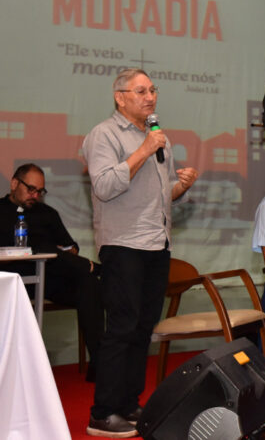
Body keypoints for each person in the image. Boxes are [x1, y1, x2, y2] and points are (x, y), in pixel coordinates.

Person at [82, 68, 198, 438]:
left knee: (142, 328)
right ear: (120, 97)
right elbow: (104, 186)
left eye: (153, 90)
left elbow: (160, 196)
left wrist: (180, 186)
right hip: (123, 244)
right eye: (141, 91)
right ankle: (102, 413)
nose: (150, 97)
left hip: (156, 243)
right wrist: (144, 150)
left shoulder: (158, 137)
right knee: (122, 327)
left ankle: (128, 403)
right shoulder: (104, 135)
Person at [0, 163, 104, 381]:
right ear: (15, 183)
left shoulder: (48, 213)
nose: (35, 195)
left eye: (40, 191)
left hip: (51, 278)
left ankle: (100, 363)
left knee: (88, 283)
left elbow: (69, 247)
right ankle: (95, 267)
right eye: (30, 189)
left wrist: (69, 252)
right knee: (43, 250)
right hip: (12, 281)